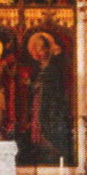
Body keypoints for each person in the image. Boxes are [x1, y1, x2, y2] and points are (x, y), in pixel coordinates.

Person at [24, 30, 71, 164]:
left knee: (47, 126)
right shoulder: (41, 68)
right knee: (38, 125)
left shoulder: (52, 68)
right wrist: (31, 84)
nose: (39, 53)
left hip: (50, 104)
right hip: (40, 102)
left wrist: (35, 85)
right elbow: (37, 86)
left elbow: (54, 87)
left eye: (41, 49)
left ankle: (51, 153)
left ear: (47, 49)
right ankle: (41, 151)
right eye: (36, 49)